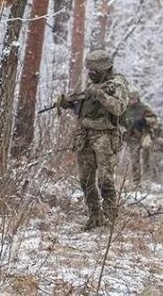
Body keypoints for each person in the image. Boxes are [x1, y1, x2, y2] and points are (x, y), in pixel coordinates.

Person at [61, 49, 129, 230]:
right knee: (85, 180)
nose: (90, 73)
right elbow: (87, 108)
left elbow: (119, 108)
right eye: (89, 69)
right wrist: (70, 104)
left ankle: (109, 220)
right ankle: (95, 217)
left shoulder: (117, 84)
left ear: (104, 69)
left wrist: (100, 94)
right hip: (85, 135)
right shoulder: (94, 83)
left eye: (94, 70)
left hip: (105, 136)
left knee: (105, 180)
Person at [122, 90, 159, 186]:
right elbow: (121, 122)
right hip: (132, 138)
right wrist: (124, 131)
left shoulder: (144, 108)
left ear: (137, 99)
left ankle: (147, 180)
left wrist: (144, 121)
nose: (132, 101)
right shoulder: (126, 109)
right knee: (134, 160)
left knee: (146, 159)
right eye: (130, 99)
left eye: (133, 99)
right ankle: (137, 182)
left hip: (144, 136)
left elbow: (155, 120)